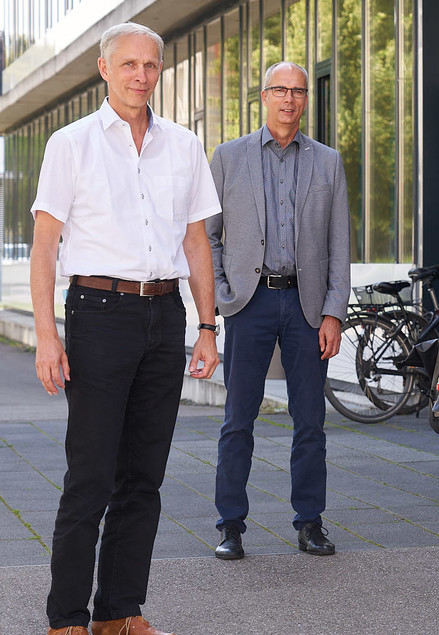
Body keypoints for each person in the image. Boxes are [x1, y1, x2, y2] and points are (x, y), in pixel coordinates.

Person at [30, 22, 221, 635]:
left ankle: (120, 611)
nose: (141, 75)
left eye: (151, 65)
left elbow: (196, 241)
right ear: (104, 67)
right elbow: (43, 248)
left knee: (145, 477)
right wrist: (48, 336)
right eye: (129, 64)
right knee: (90, 477)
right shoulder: (71, 143)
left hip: (165, 318)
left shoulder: (184, 145)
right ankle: (66, 619)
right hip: (98, 316)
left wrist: (208, 326)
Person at [206, 61, 350, 560]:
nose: (289, 99)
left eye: (299, 91)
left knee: (310, 420)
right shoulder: (227, 158)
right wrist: (225, 296)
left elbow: (338, 243)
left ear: (307, 99)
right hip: (251, 303)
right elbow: (209, 238)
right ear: (264, 96)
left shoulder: (328, 162)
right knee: (237, 419)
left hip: (307, 306)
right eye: (280, 90)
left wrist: (334, 312)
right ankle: (230, 525)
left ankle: (310, 521)